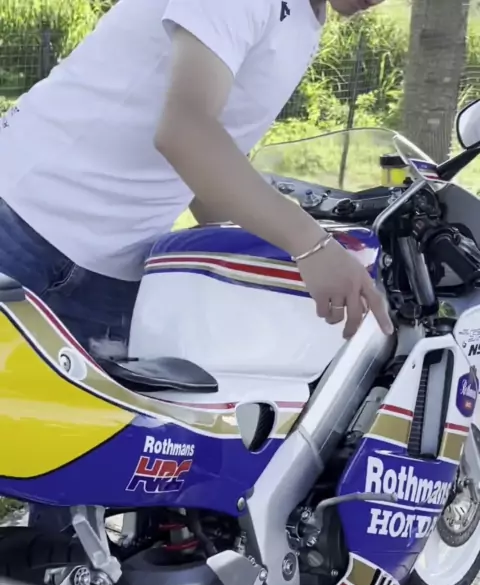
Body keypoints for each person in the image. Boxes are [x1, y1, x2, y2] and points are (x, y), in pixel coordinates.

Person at [0, 0, 392, 356]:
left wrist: (289, 255)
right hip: (23, 227)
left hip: (116, 266)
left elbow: (210, 167)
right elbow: (185, 133)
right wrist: (311, 245)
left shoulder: (307, 19)